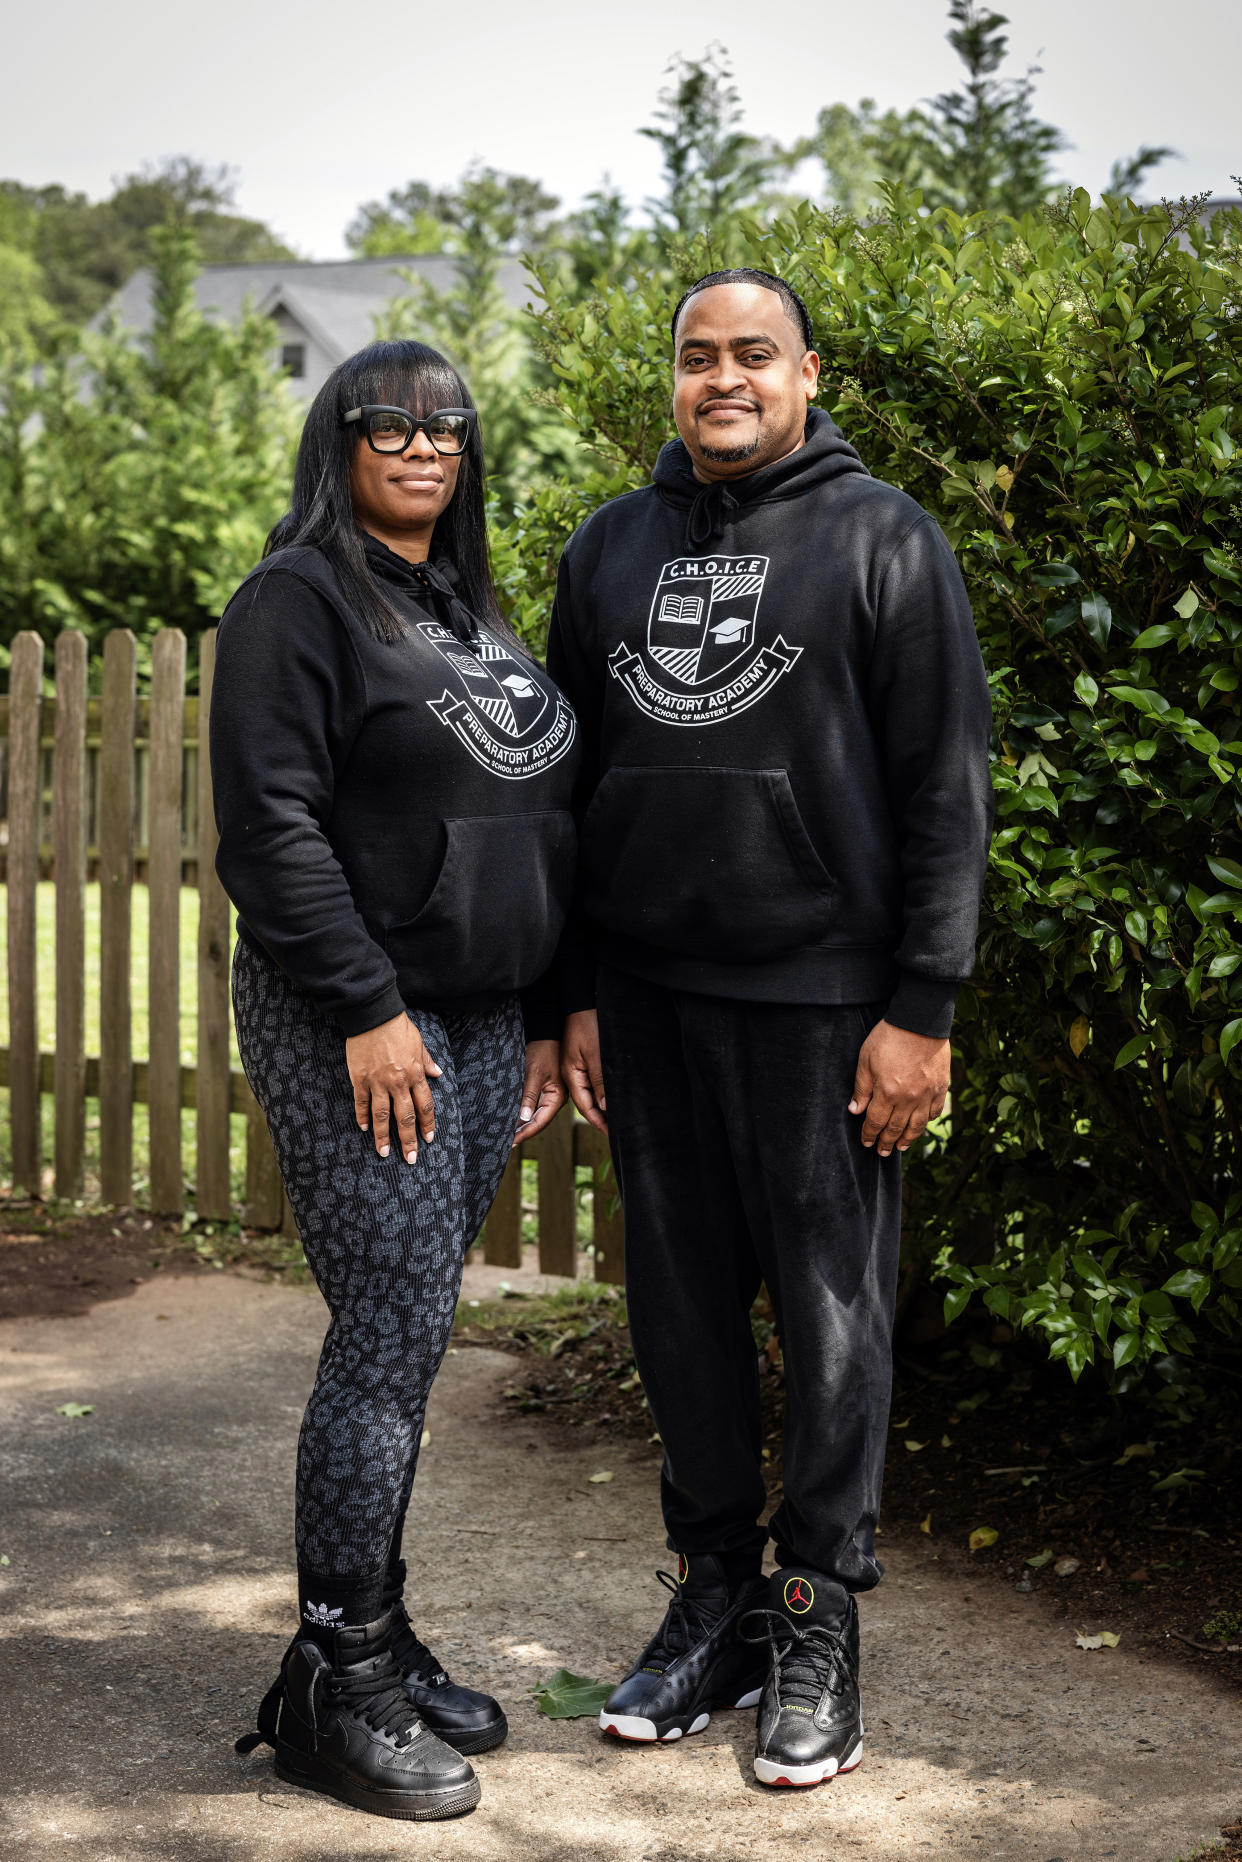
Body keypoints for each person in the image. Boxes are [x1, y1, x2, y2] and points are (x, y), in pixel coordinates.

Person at [547, 269, 993, 1789]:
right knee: (675, 1324)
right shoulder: (607, 547)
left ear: (807, 368)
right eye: (695, 356)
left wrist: (918, 1009)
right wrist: (579, 991)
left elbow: (945, 789)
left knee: (832, 1322)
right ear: (668, 378)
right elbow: (568, 787)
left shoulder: (884, 538)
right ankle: (714, 1605)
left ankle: (813, 1611)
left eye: (751, 353)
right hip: (652, 1005)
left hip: (822, 1005)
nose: (720, 378)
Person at [212, 340, 579, 1821]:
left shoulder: (467, 603)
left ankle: (380, 1627)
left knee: (415, 1335)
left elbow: (535, 820)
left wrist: (545, 1008)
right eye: (389, 423)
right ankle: (328, 1683)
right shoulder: (297, 597)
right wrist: (368, 1006)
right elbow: (269, 825)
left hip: (484, 1020)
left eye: (448, 427)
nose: (422, 444)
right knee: (381, 1341)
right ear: (338, 438)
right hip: (358, 1021)